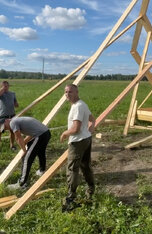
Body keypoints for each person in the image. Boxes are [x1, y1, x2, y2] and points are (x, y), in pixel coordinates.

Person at [60, 84, 96, 212]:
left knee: (72, 169)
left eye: (70, 92)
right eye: (66, 92)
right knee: (85, 165)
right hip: (86, 139)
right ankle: (91, 189)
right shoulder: (81, 105)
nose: (67, 94)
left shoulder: (78, 107)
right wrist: (90, 129)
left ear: (76, 92)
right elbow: (92, 119)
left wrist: (65, 133)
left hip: (78, 142)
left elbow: (75, 129)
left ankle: (71, 198)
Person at [0, 116, 51, 190]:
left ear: (6, 120)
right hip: (46, 133)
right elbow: (31, 134)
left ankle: (21, 184)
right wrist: (24, 143)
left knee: (26, 158)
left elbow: (18, 137)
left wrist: (24, 151)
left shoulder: (12, 122)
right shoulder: (19, 120)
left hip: (40, 135)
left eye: (5, 127)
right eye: (4, 129)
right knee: (40, 152)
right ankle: (42, 170)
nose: (6, 129)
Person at [0, 81, 19, 152]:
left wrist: (16, 104)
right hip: (3, 117)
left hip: (12, 116)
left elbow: (15, 103)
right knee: (0, 132)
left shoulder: (12, 94)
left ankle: (12, 146)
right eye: (4, 86)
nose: (6, 87)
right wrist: (2, 89)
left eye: (7, 86)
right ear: (1, 87)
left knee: (12, 131)